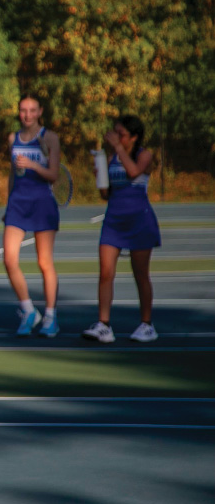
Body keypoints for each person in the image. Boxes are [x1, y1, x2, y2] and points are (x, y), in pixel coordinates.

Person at [82, 115, 160, 343]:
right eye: (114, 132)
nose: (115, 137)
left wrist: (118, 148)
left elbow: (134, 172)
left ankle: (146, 325)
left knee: (140, 275)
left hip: (139, 221)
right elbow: (106, 195)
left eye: (121, 134)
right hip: (114, 221)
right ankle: (103, 325)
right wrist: (101, 179)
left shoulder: (144, 155)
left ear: (134, 137)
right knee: (105, 273)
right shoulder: (112, 157)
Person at [2, 94, 62, 337]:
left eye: (32, 110)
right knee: (9, 259)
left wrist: (35, 164)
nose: (27, 115)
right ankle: (28, 310)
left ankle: (50, 316)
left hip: (42, 204)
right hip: (18, 204)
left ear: (40, 112)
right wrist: (8, 203)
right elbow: (12, 174)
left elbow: (54, 175)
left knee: (44, 262)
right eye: (23, 110)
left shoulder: (49, 138)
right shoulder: (12, 138)